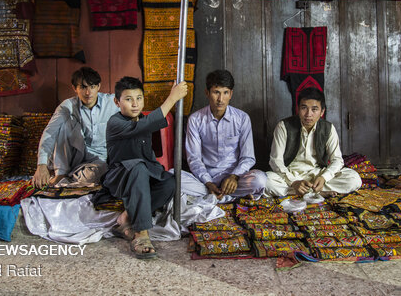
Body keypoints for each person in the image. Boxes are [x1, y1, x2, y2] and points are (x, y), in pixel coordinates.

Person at [100, 76, 187, 259]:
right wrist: (172, 98)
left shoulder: (143, 120)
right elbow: (144, 125)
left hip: (143, 175)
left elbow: (149, 156)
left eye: (139, 98)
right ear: (117, 102)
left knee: (170, 182)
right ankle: (141, 233)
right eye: (128, 99)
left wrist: (158, 175)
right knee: (138, 167)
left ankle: (126, 218)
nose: (135, 104)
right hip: (120, 177)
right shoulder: (115, 123)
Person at [182, 69, 266, 201]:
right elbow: (194, 159)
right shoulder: (195, 119)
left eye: (225, 92)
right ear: (207, 93)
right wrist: (208, 182)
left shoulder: (242, 118)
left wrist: (234, 176)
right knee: (174, 178)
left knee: (259, 180)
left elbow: (248, 157)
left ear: (231, 94)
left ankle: (216, 197)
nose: (220, 99)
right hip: (205, 179)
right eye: (216, 92)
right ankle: (227, 197)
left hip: (234, 181)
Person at [31, 67, 119, 189]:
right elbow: (50, 133)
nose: (88, 93)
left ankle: (71, 178)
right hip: (75, 155)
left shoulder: (112, 102)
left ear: (99, 86)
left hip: (101, 159)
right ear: (75, 88)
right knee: (63, 123)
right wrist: (41, 165)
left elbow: (133, 112)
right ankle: (61, 173)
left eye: (92, 87)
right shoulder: (68, 106)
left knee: (99, 172)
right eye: (83, 87)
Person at [265, 87, 361, 197]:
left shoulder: (328, 128)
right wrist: (294, 182)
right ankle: (318, 192)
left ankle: (306, 191)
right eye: (304, 108)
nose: (308, 114)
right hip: (290, 175)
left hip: (317, 175)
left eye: (314, 109)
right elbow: (275, 161)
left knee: (354, 179)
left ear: (322, 112)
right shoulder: (283, 126)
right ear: (298, 109)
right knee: (265, 182)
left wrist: (324, 177)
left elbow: (337, 160)